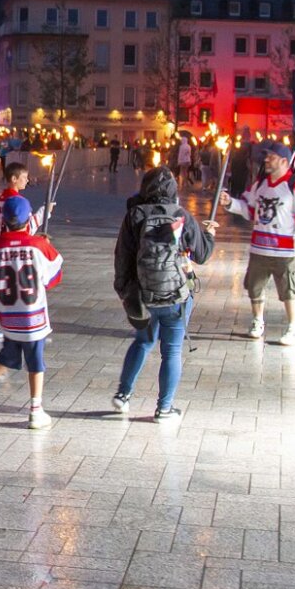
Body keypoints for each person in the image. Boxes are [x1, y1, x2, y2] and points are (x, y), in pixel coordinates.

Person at [111, 167, 216, 421]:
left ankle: (123, 395)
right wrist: (210, 235)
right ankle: (164, 408)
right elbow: (201, 254)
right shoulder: (181, 215)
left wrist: (125, 292)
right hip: (177, 296)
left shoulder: (134, 215)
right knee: (171, 351)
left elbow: (122, 257)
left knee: (143, 342)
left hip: (144, 295)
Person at [0, 196, 63, 429]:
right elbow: (55, 274)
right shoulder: (38, 245)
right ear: (29, 219)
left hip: (8, 316)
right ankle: (36, 409)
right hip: (34, 316)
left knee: (8, 353)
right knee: (36, 361)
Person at [219, 143, 295, 346]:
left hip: (287, 251)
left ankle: (293, 328)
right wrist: (230, 203)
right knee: (254, 287)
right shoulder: (260, 184)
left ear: (284, 161)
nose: (266, 160)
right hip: (260, 248)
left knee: (290, 289)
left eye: (271, 157)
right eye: (266, 157)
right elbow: (249, 209)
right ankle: (257, 322)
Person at [0, 163, 50, 238]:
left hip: (1, 242)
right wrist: (45, 211)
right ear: (14, 179)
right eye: (24, 177)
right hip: (14, 243)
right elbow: (28, 229)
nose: (27, 180)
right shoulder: (18, 202)